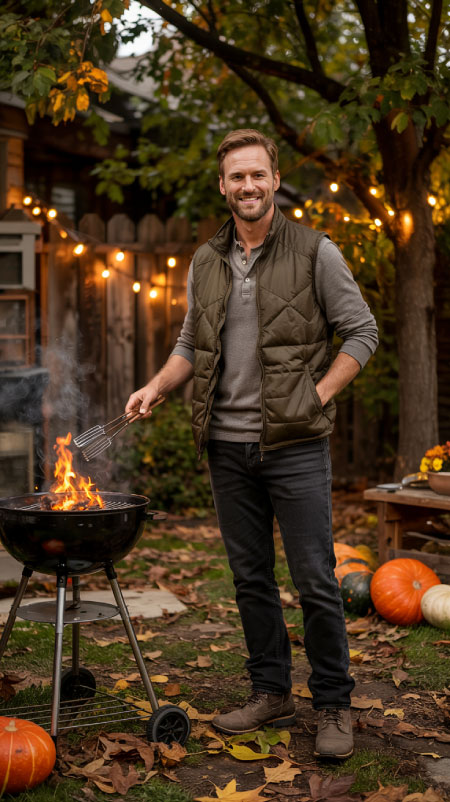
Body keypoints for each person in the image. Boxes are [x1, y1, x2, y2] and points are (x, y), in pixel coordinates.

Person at [126, 129, 378, 760]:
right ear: (223, 185)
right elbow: (191, 343)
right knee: (249, 579)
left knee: (317, 580)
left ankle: (333, 705)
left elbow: (361, 333)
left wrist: (313, 398)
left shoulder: (315, 251)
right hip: (226, 447)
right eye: (236, 177)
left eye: (257, 175)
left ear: (274, 179)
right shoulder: (205, 260)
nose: (247, 186)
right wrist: (155, 386)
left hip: (293, 446)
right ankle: (271, 692)